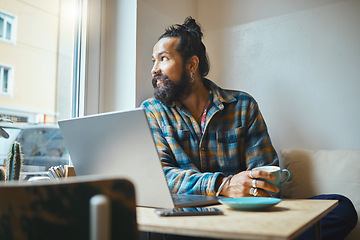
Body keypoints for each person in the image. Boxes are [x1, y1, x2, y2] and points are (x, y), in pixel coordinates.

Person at [141, 17, 357, 240]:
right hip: (190, 221)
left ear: (191, 65)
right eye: (153, 61)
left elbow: (266, 175)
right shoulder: (152, 111)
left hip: (244, 215)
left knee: (341, 207)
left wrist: (256, 189)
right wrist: (223, 185)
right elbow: (161, 177)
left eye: (163, 59)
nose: (154, 69)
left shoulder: (243, 106)